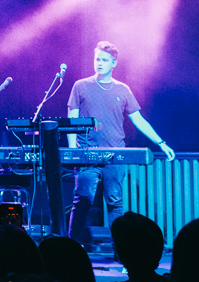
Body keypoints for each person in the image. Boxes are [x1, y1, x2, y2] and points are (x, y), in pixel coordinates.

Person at [66, 41, 175, 249]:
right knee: (82, 200)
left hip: (115, 155)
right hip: (87, 154)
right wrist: (73, 153)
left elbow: (138, 119)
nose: (99, 63)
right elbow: (72, 120)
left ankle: (121, 250)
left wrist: (161, 142)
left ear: (113, 63)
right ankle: (70, 248)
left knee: (114, 202)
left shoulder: (123, 89)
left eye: (104, 60)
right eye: (97, 59)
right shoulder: (81, 86)